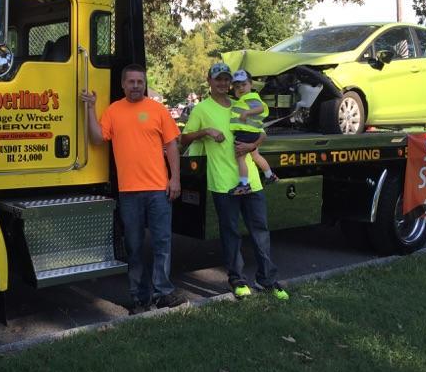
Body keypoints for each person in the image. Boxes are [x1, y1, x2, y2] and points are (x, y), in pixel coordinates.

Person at [80, 64, 186, 314]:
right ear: (123, 84)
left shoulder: (158, 110)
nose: (136, 85)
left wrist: (175, 180)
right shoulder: (114, 111)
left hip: (159, 189)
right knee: (134, 246)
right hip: (129, 192)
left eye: (140, 81)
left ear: (145, 83)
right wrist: (90, 107)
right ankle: (140, 298)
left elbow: (172, 147)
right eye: (131, 82)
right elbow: (97, 138)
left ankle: (163, 293)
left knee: (162, 243)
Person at [181, 62, 289, 301]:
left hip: (251, 181)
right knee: (231, 233)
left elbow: (260, 132)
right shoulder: (202, 109)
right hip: (223, 183)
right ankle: (237, 280)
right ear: (209, 81)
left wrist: (253, 145)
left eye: (226, 79)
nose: (222, 83)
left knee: (260, 231)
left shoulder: (242, 103)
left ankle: (268, 279)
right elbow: (184, 139)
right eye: (217, 79)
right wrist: (206, 131)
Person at [229, 69, 278, 194]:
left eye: (244, 84)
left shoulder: (250, 97)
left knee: (240, 158)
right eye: (237, 86)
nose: (241, 88)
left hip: (245, 133)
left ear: (251, 84)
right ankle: (269, 175)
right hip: (252, 133)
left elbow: (261, 108)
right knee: (256, 155)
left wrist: (246, 112)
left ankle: (244, 184)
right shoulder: (245, 99)